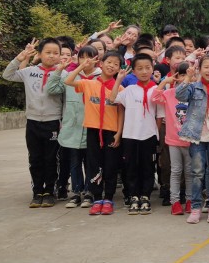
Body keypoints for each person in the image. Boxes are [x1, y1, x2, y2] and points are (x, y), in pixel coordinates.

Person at [3, 38, 63, 208]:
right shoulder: (29, 71)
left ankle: (50, 191)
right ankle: (37, 191)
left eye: (55, 53)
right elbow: (7, 75)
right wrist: (20, 57)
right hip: (33, 122)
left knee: (51, 159)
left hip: (53, 122)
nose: (52, 56)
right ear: (39, 54)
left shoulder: (62, 73)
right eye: (48, 52)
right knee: (35, 158)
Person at [64, 51, 125, 215]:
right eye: (109, 62)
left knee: (110, 166)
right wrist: (81, 66)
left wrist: (119, 133)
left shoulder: (119, 88)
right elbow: (68, 81)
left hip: (111, 132)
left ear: (119, 68)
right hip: (92, 131)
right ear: (101, 64)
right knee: (94, 165)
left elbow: (119, 110)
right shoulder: (88, 83)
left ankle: (109, 198)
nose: (111, 65)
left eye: (116, 64)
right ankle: (97, 197)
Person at [46, 45, 100, 208]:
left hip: (92, 128)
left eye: (90, 57)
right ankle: (76, 192)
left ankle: (90, 192)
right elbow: (52, 88)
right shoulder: (71, 76)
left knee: (91, 163)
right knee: (74, 162)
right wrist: (59, 70)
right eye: (82, 57)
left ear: (97, 59)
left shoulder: (100, 78)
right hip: (73, 128)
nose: (86, 61)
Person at [175, 55, 209, 224]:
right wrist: (188, 77)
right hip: (196, 136)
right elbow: (179, 95)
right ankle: (196, 207)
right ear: (200, 69)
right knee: (197, 173)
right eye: (206, 67)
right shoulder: (194, 88)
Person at [109, 54, 158, 215]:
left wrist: (156, 135)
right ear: (134, 71)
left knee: (147, 167)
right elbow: (112, 98)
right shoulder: (129, 90)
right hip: (130, 135)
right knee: (130, 167)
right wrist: (118, 79)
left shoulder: (156, 90)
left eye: (147, 68)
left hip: (149, 136)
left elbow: (159, 116)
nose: (144, 71)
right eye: (139, 68)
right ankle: (133, 196)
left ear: (153, 68)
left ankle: (145, 196)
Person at [152, 63, 193, 215]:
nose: (185, 79)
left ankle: (189, 200)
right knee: (175, 171)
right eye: (182, 75)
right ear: (176, 77)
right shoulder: (170, 93)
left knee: (189, 172)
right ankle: (175, 202)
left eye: (188, 75)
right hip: (173, 140)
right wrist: (165, 81)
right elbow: (155, 96)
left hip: (190, 140)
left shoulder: (195, 93)